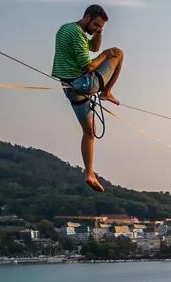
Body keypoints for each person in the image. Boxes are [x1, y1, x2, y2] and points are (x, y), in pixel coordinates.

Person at [51, 4, 125, 192]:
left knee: (89, 132)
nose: (98, 29)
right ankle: (106, 92)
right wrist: (105, 55)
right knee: (118, 53)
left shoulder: (67, 29)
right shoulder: (77, 33)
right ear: (86, 18)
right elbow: (89, 66)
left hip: (71, 90)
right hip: (85, 83)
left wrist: (99, 33)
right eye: (96, 25)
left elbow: (92, 47)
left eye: (100, 27)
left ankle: (89, 174)